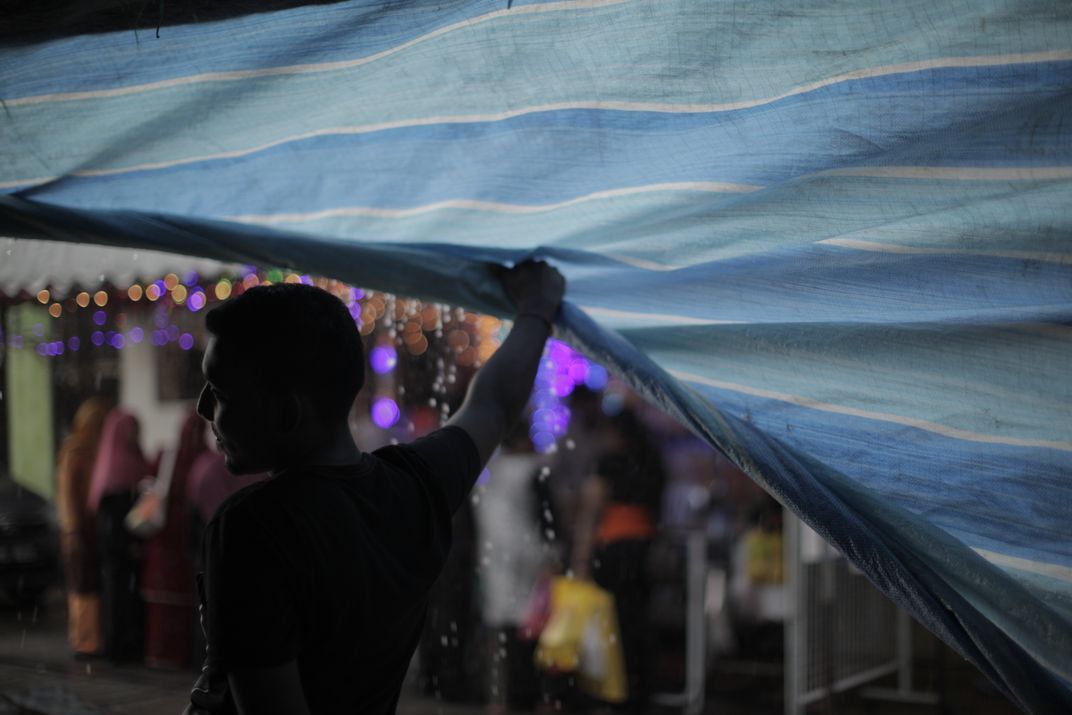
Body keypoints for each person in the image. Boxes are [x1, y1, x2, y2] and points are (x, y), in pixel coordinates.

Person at [186, 260, 565, 715]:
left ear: (287, 412)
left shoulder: (252, 530)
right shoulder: (414, 487)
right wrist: (537, 308)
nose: (202, 408)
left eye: (221, 392)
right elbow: (495, 405)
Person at [570, 406, 666, 713]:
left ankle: (611, 693)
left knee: (610, 625)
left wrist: (580, 559)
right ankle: (639, 693)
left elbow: (590, 511)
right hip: (644, 549)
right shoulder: (652, 461)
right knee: (638, 622)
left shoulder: (608, 462)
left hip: (612, 550)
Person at [142, 409, 206, 669]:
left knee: (166, 602)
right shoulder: (204, 459)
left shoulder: (167, 456)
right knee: (183, 602)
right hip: (185, 538)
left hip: (165, 539)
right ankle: (179, 654)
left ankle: (162, 653)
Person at [88, 408, 151, 663]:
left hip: (130, 542)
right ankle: (118, 648)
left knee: (128, 593)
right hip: (119, 545)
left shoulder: (128, 460)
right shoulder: (118, 467)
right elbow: (114, 516)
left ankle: (129, 644)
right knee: (118, 594)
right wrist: (129, 544)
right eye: (132, 430)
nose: (136, 435)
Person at [55, 396, 110, 657]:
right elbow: (67, 496)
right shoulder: (75, 452)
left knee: (90, 583)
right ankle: (85, 642)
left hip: (91, 529)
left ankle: (93, 639)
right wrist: (74, 529)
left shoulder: (96, 451)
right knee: (82, 585)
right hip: (78, 531)